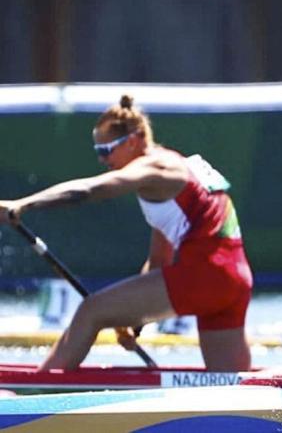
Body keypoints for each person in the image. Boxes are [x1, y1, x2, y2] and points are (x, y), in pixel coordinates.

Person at [0, 95, 252, 371]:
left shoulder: (155, 168)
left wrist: (22, 205)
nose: (102, 158)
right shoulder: (175, 170)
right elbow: (159, 260)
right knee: (230, 385)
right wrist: (137, 323)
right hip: (234, 278)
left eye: (107, 149)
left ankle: (36, 398)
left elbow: (89, 190)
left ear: (134, 140)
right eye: (98, 149)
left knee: (91, 310)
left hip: (205, 274)